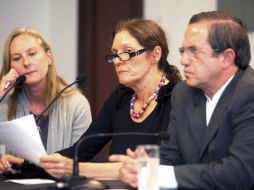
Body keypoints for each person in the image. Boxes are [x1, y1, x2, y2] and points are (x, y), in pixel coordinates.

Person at [109, 11, 254, 190]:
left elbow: (240, 173)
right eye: (183, 51)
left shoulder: (249, 94)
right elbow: (172, 155)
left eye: (194, 51)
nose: (183, 60)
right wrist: (143, 166)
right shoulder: (183, 93)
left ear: (226, 57)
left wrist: (160, 175)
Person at [39, 18, 182, 179]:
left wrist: (79, 169)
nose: (117, 61)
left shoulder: (177, 98)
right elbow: (81, 150)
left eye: (127, 52)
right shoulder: (121, 97)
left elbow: (159, 166)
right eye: (115, 54)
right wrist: (26, 164)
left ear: (155, 55)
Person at [0, 27, 92, 171]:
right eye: (17, 58)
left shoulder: (77, 104)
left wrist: (25, 165)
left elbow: (79, 162)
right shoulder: (6, 102)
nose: (26, 62)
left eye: (32, 53)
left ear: (48, 56)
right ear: (10, 67)